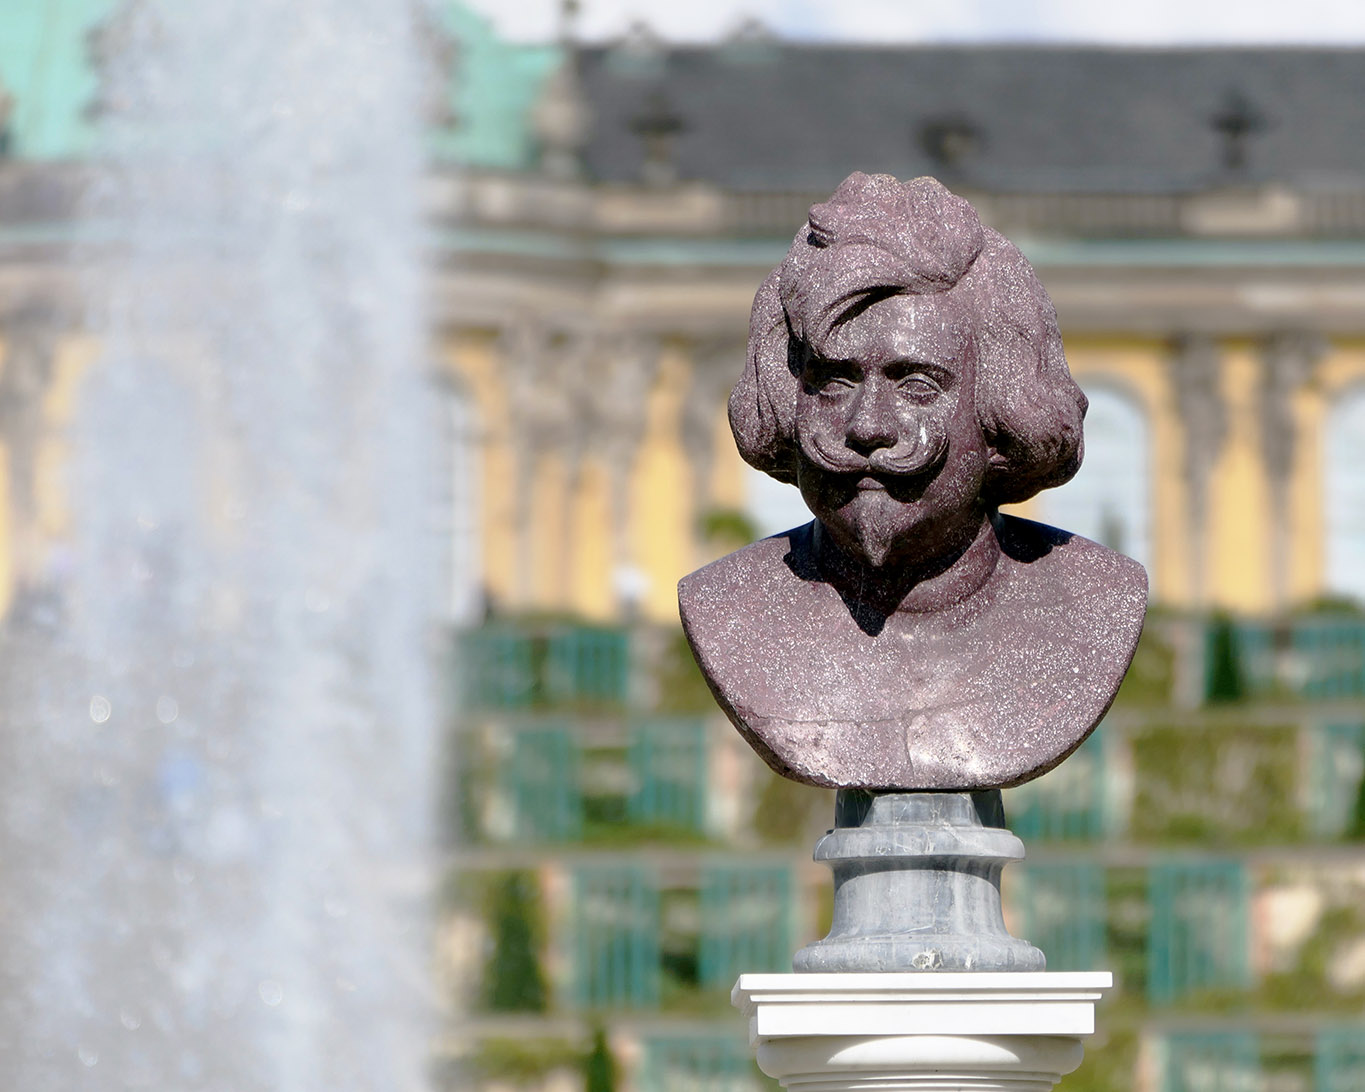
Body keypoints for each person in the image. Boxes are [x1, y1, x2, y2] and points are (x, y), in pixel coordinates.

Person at [678, 172, 1146, 791]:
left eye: (918, 386)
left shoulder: (1097, 602)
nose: (868, 426)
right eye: (833, 382)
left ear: (1000, 417)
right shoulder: (726, 608)